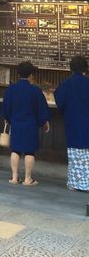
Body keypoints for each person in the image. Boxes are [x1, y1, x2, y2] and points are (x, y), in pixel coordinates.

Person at [2, 61, 50, 186]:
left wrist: (7, 118)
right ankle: (28, 179)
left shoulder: (11, 89)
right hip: (31, 125)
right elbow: (42, 109)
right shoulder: (35, 91)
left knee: (15, 149)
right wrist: (44, 122)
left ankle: (14, 177)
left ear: (19, 74)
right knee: (30, 151)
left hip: (16, 123)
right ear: (31, 75)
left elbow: (6, 107)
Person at [55, 55, 89, 192]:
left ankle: (74, 183)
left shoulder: (65, 84)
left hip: (73, 123)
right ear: (85, 70)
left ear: (71, 69)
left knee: (74, 154)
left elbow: (59, 102)